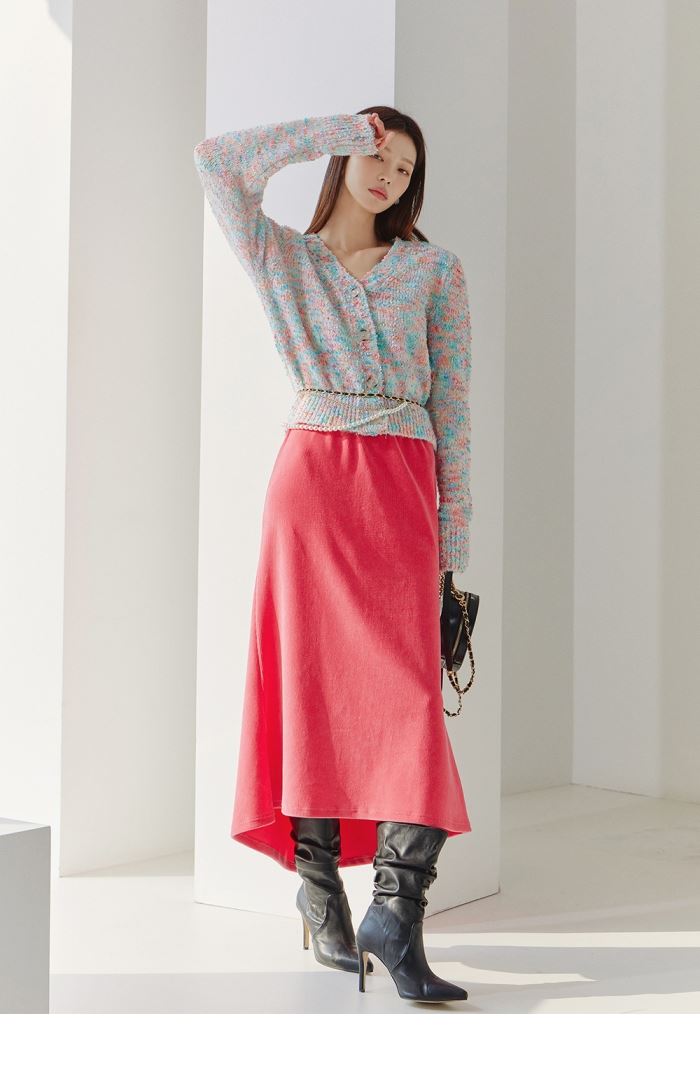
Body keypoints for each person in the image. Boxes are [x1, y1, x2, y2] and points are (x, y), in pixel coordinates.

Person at [193, 106, 473, 1003]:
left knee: (409, 703)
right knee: (307, 689)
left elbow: (455, 411)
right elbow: (217, 162)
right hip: (309, 491)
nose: (389, 174)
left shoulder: (434, 270)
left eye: (406, 167)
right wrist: (336, 129)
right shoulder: (287, 258)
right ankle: (322, 900)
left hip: (400, 494)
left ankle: (395, 912)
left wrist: (454, 551)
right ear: (346, 156)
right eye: (378, 155)